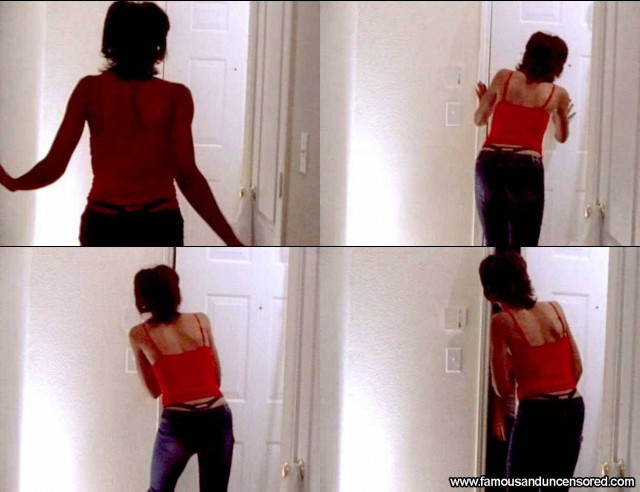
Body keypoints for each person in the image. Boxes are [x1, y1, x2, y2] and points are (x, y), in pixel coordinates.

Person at [0, 1, 242, 246]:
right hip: (158, 220)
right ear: (158, 46)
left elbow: (55, 164)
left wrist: (15, 183)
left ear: (111, 43)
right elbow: (187, 177)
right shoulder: (175, 96)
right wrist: (231, 239)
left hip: (104, 220)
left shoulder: (89, 90)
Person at [479, 252, 584, 491]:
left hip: (538, 412)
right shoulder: (555, 309)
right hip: (573, 407)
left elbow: (503, 388)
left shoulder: (502, 321)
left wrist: (510, 363)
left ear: (489, 293)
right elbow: (577, 368)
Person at [129, 265, 234, 491]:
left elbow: (154, 390)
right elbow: (216, 379)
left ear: (143, 298)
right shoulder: (201, 321)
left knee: (158, 490)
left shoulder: (139, 334)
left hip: (179, 423)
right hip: (216, 416)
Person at [474, 32, 576, 247]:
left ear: (528, 53)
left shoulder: (504, 77)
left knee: (496, 242)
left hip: (490, 162)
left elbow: (479, 119)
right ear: (557, 64)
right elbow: (561, 137)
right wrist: (562, 118)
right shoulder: (558, 94)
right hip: (525, 167)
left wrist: (486, 103)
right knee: (525, 241)